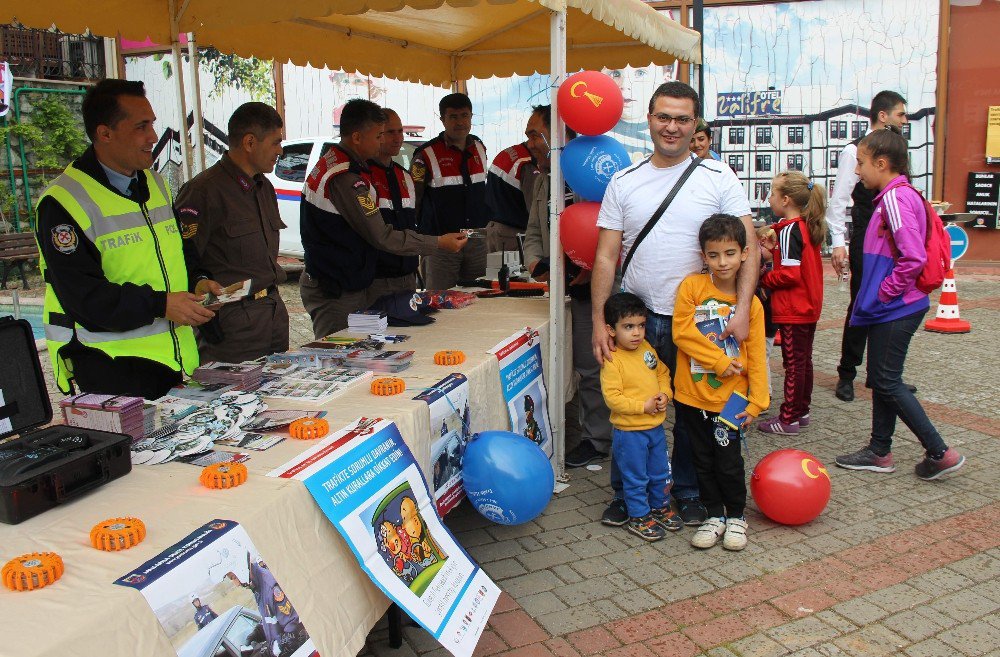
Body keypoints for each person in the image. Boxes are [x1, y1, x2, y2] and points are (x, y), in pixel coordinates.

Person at [591, 81, 755, 527]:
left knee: (692, 416)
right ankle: (629, 495)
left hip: (702, 327)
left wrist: (742, 310)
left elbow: (750, 246)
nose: (672, 127)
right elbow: (606, 255)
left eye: (683, 119)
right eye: (664, 116)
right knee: (631, 418)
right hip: (636, 324)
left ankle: (684, 492)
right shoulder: (624, 181)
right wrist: (598, 322)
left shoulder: (719, 177)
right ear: (648, 119)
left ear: (694, 124)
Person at [35, 79, 208, 399]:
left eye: (152, 124)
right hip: (111, 369)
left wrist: (199, 279)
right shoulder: (63, 203)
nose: (153, 137)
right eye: (141, 127)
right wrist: (161, 304)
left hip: (173, 361)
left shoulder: (155, 183)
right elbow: (85, 299)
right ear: (105, 134)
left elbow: (181, 247)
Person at [834, 127, 965, 480]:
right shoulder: (896, 196)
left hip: (896, 306)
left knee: (887, 381)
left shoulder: (894, 198)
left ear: (881, 162)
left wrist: (883, 293)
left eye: (861, 163)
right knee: (881, 378)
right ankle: (879, 451)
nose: (857, 171)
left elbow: (911, 258)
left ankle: (939, 451)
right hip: (894, 306)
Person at [299, 99, 467, 338]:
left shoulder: (341, 164)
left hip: (344, 280)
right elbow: (381, 235)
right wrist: (438, 243)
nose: (384, 142)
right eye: (379, 136)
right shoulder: (347, 177)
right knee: (342, 356)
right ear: (357, 138)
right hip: (336, 288)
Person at [521, 105, 613, 469]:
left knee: (592, 364)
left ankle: (598, 439)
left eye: (533, 134)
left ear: (558, 138)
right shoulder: (542, 179)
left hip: (596, 285)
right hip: (556, 287)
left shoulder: (595, 178)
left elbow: (612, 233)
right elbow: (532, 230)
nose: (528, 142)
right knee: (568, 361)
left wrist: (590, 267)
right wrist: (534, 262)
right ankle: (578, 426)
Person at [672, 214, 768, 551]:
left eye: (729, 253)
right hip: (691, 396)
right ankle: (714, 515)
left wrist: (758, 401)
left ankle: (737, 516)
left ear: (744, 254)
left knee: (729, 462)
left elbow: (757, 355)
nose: (722, 262)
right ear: (703, 256)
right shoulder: (692, 288)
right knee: (701, 459)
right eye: (713, 255)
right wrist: (719, 361)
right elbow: (681, 332)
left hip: (732, 401)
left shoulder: (751, 305)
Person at [175, 102, 289, 363]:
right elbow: (184, 258)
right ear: (249, 142)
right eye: (275, 143)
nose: (280, 151)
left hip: (272, 313)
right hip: (232, 323)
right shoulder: (203, 191)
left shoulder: (264, 187)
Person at [828, 91, 910, 402]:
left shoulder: (898, 151)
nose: (905, 120)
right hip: (866, 231)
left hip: (893, 234)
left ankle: (884, 374)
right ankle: (847, 373)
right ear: (883, 115)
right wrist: (839, 243)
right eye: (901, 114)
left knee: (890, 301)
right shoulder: (854, 151)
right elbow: (839, 201)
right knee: (862, 301)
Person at [600, 292, 681, 542]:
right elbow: (612, 398)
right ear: (610, 330)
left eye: (641, 326)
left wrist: (665, 395)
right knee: (635, 477)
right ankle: (638, 515)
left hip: (655, 428)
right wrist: (641, 406)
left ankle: (659, 506)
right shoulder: (612, 360)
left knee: (659, 472)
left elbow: (662, 373)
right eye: (628, 327)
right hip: (630, 432)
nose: (636, 333)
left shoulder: (646, 349)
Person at [757, 171, 827, 435]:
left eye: (773, 194)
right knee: (803, 361)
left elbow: (789, 274)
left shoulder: (789, 231)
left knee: (793, 364)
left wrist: (764, 277)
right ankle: (802, 410)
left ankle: (788, 418)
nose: (770, 199)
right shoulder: (804, 225)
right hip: (808, 305)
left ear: (785, 200)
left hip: (792, 308)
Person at [411, 93, 488, 289]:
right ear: (442, 119)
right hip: (441, 243)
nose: (460, 122)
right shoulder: (425, 154)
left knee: (480, 301)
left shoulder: (479, 147)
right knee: (440, 303)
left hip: (476, 238)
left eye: (464, 115)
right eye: (453, 117)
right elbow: (414, 201)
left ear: (471, 116)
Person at [367, 108, 422, 295]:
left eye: (400, 131)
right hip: (375, 279)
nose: (398, 138)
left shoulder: (404, 175)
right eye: (391, 132)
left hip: (407, 276)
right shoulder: (362, 175)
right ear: (378, 134)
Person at [484, 109, 542, 252]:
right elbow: (536, 210)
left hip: (493, 229)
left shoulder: (510, 153)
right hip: (512, 235)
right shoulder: (527, 164)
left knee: (495, 273)